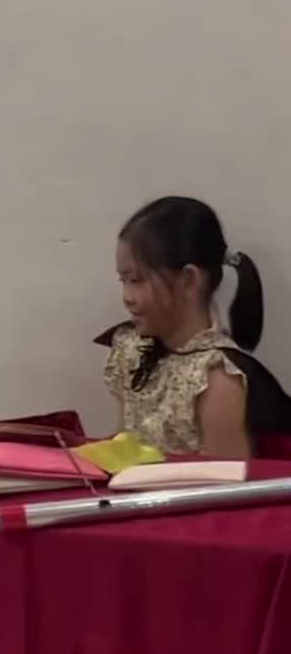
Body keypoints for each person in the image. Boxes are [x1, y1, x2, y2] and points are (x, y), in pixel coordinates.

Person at [99, 195, 291, 457]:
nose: (127, 297)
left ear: (189, 279)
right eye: (123, 281)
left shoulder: (216, 377)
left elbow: (224, 478)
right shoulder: (132, 348)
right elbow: (124, 445)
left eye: (137, 280)